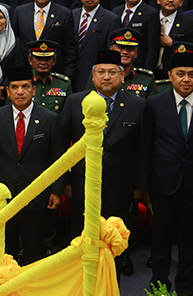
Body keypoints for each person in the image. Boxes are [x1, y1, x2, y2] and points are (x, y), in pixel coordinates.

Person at [143, 49, 193, 296]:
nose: (186, 79)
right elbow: (146, 148)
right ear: (170, 75)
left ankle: (186, 288)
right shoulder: (154, 104)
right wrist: (144, 186)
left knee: (191, 243)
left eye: (192, 74)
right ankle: (159, 286)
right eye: (180, 74)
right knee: (160, 242)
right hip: (163, 185)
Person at [62, 49, 146, 274]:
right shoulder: (75, 102)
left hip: (121, 185)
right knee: (81, 239)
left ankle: (114, 274)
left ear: (122, 75)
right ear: (93, 75)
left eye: (112, 72)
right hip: (83, 184)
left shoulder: (137, 105)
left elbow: (143, 150)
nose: (106, 77)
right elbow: (62, 146)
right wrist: (65, 182)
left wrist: (140, 186)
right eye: (101, 72)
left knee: (116, 239)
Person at [0, 63, 61, 265]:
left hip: (36, 193)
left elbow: (58, 158)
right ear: (7, 91)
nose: (20, 92)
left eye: (25, 86)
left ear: (34, 90)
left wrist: (56, 191)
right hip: (4, 193)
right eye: (15, 87)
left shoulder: (50, 119)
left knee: (34, 249)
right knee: (5, 250)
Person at [12, 0, 77, 80]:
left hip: (54, 73)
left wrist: (67, 76)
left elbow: (69, 48)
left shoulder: (64, 14)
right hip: (26, 73)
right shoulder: (20, 11)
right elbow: (16, 43)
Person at [74, 0, 120, 90]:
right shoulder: (71, 15)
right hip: (71, 74)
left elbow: (110, 52)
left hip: (95, 77)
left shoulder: (111, 19)